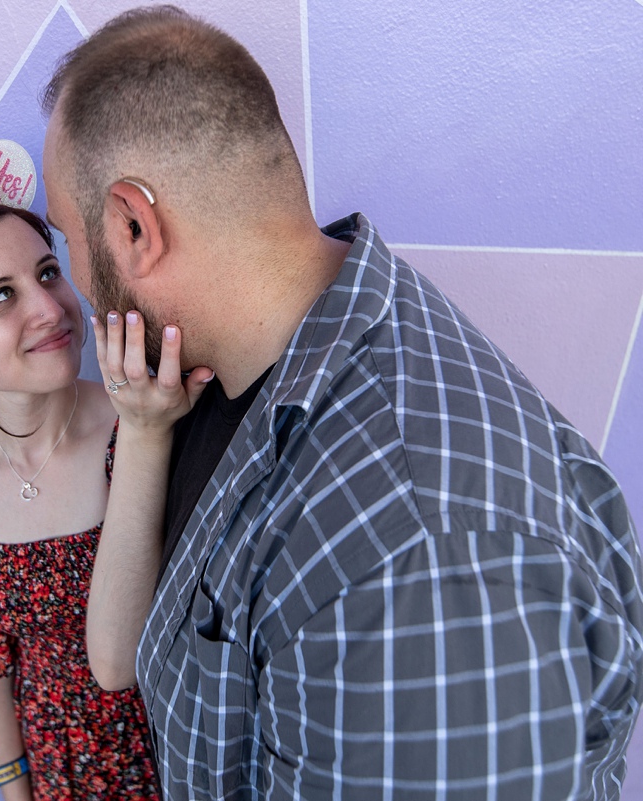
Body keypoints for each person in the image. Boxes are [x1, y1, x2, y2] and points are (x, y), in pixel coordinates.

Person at [40, 6, 643, 799]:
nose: (76, 288)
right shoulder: (234, 368)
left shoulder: (421, 563)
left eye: (67, 241)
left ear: (132, 226)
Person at [0, 146, 209, 799]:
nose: (50, 307)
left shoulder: (148, 423)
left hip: (189, 748)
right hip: (66, 773)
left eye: (49, 271)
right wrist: (15, 786)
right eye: (2, 296)